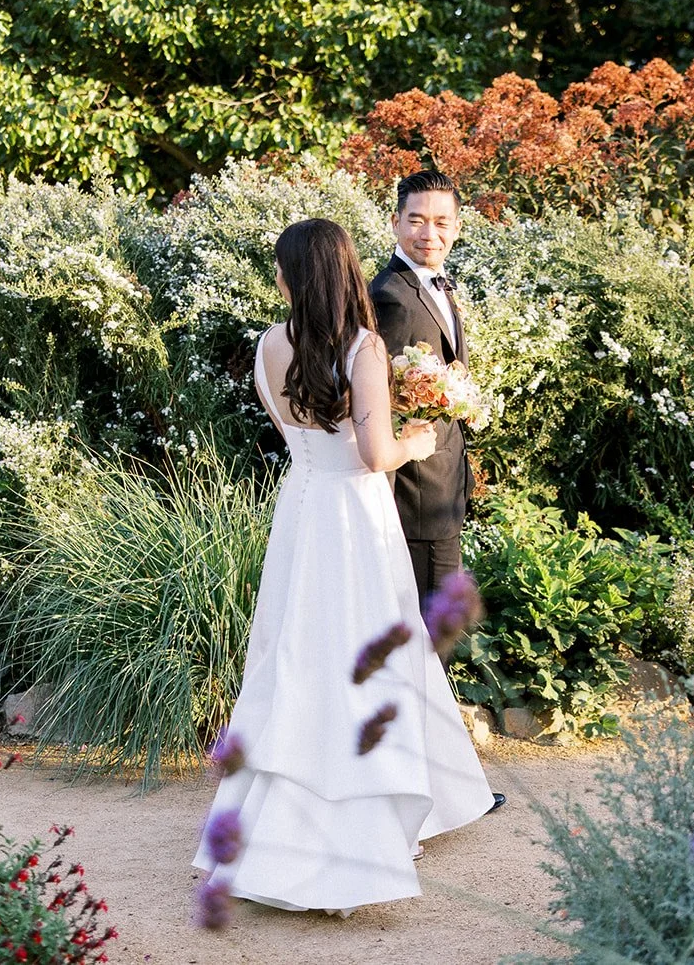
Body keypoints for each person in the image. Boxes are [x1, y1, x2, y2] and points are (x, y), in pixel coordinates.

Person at [192, 218, 498, 916]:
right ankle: (367, 826)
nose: (275, 278)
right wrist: (418, 439)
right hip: (356, 521)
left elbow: (300, 436)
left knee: (298, 655)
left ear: (296, 275)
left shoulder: (270, 344)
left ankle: (267, 828)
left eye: (279, 268)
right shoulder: (362, 346)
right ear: (344, 269)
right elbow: (373, 454)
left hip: (301, 512)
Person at [368, 170, 472, 604]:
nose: (430, 233)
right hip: (416, 499)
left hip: (443, 489)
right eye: (416, 220)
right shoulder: (391, 296)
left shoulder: (434, 284)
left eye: (442, 222)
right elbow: (375, 403)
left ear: (457, 227)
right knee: (431, 636)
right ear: (395, 222)